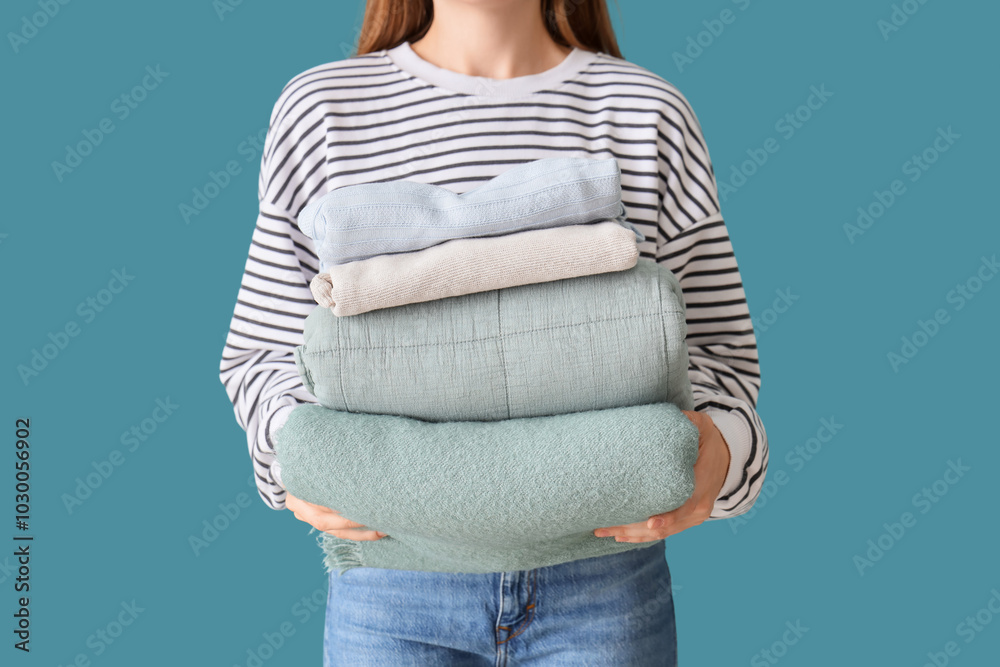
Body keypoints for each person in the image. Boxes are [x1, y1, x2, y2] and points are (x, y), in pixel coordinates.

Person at [218, 0, 768, 664]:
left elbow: (720, 360)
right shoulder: (323, 109)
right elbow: (263, 351)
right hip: (391, 586)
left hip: (605, 582)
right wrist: (300, 455)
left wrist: (720, 453)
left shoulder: (646, 112)